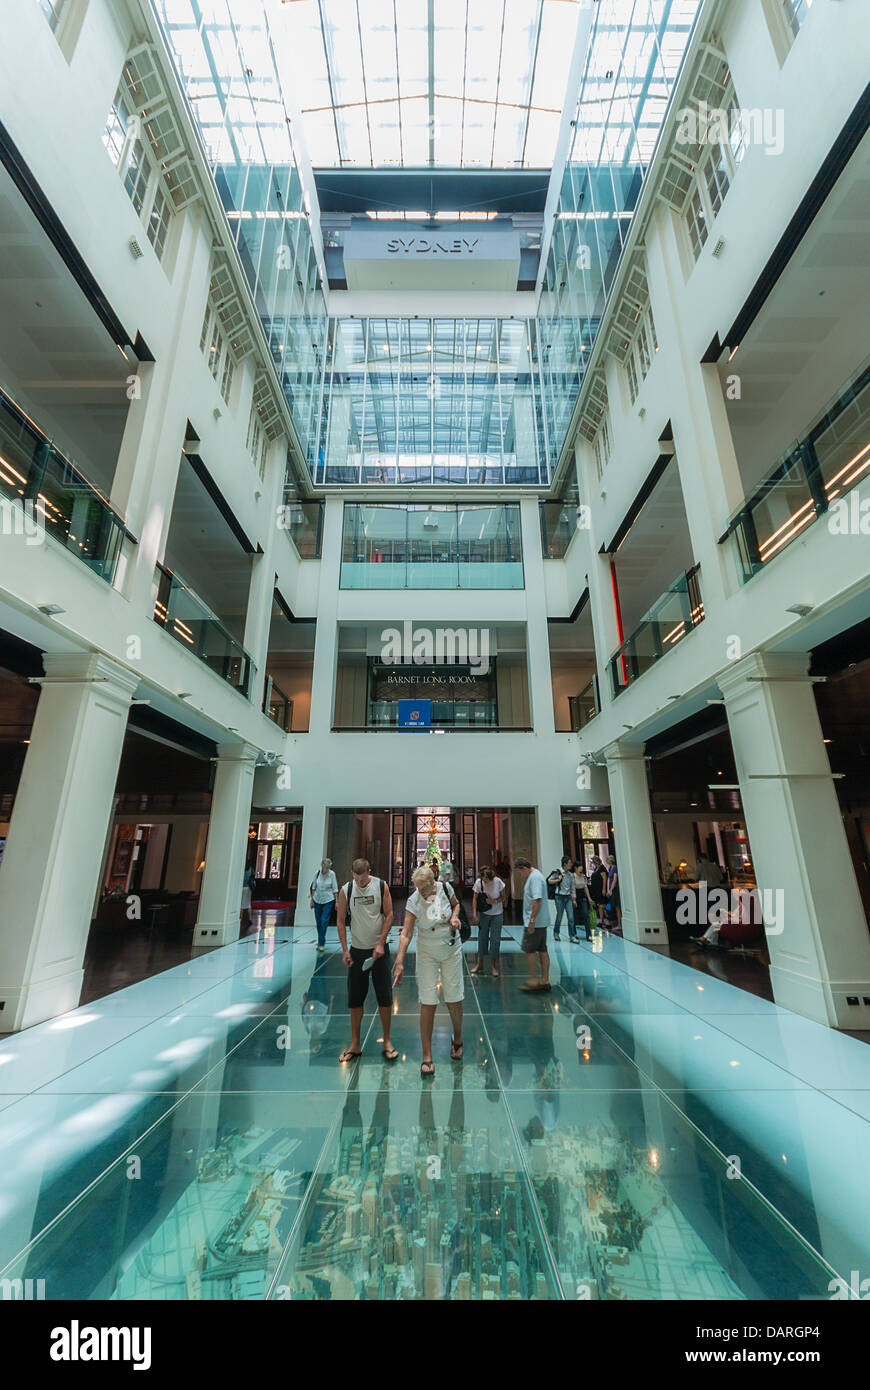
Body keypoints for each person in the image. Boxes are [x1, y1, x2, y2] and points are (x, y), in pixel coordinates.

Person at [393, 864, 463, 1077]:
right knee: (428, 1000)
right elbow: (405, 933)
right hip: (426, 948)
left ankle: (458, 1039)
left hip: (450, 945)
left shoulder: (445, 888)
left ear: (432, 885)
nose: (419, 892)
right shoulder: (414, 901)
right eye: (417, 888)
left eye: (423, 889)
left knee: (453, 997)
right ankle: (426, 1055)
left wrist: (454, 917)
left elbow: (456, 905)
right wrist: (399, 961)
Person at [336, 858, 398, 1064]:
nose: (360, 884)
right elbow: (340, 920)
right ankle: (355, 1043)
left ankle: (387, 1041)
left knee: (385, 996)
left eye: (363, 881)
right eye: (357, 880)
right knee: (355, 999)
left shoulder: (381, 886)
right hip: (357, 951)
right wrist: (345, 950)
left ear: (369, 873)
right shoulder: (347, 890)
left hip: (379, 951)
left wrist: (381, 943)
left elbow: (389, 915)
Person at [515, 857, 551, 992]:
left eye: (519, 873)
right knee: (542, 950)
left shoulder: (534, 878)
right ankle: (545, 980)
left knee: (529, 951)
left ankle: (534, 980)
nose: (520, 876)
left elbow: (537, 900)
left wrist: (531, 920)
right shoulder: (537, 876)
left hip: (535, 923)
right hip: (540, 922)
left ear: (523, 868)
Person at [471, 865, 507, 976]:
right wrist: (474, 915)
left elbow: (503, 897)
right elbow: (475, 899)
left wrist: (494, 901)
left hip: (497, 914)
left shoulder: (498, 882)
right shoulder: (479, 882)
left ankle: (493, 966)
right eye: (483, 880)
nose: (485, 882)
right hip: (484, 914)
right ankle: (480, 963)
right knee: (482, 938)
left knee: (495, 940)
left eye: (486, 880)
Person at [309, 858, 338, 952]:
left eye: (328, 867)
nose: (327, 869)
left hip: (329, 900)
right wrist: (312, 900)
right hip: (317, 899)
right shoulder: (317, 873)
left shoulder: (332, 874)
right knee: (318, 922)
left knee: (324, 920)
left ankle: (321, 943)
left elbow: (335, 889)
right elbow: (313, 887)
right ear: (322, 866)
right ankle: (320, 940)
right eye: (326, 867)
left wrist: (337, 902)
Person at [551, 855, 577, 942]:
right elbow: (549, 880)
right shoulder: (558, 872)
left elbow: (572, 888)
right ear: (565, 864)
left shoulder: (571, 875)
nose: (571, 865)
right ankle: (556, 932)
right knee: (559, 916)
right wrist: (558, 880)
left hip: (568, 897)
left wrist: (574, 899)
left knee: (571, 917)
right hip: (559, 897)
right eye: (570, 863)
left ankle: (572, 936)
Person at [572, 859, 594, 941]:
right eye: (579, 867)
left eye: (581, 867)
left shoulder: (583, 876)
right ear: (575, 868)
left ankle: (588, 935)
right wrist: (573, 899)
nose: (581, 868)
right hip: (575, 896)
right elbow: (571, 888)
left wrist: (589, 898)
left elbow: (585, 887)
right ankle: (574, 934)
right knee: (574, 916)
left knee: (586, 915)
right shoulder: (572, 876)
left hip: (582, 897)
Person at [588, 855, 608, 928]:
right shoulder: (596, 868)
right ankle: (602, 920)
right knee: (600, 904)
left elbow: (604, 878)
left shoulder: (602, 868)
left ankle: (606, 919)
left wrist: (604, 889)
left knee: (604, 905)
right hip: (597, 890)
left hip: (601, 890)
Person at [605, 854, 621, 934]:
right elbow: (608, 879)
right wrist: (608, 889)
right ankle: (609, 920)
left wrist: (611, 889)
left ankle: (619, 924)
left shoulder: (615, 868)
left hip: (614, 890)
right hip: (610, 889)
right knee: (608, 905)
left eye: (607, 860)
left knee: (616, 906)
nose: (606, 861)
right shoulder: (610, 868)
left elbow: (615, 879)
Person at [240, 864, 254, 932]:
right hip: (248, 888)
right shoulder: (251, 870)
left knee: (241, 905)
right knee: (248, 904)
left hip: (241, 887)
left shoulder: (241, 870)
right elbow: (253, 878)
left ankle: (240, 919)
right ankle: (250, 919)